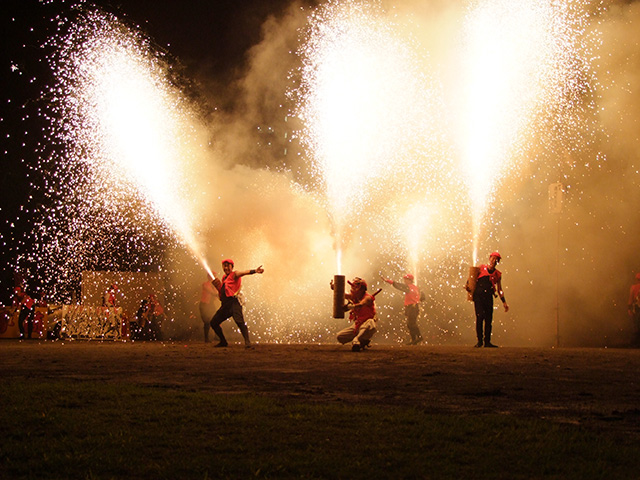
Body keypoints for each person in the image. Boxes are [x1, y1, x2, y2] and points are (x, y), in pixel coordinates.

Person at [209, 259, 264, 348]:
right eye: (224, 266)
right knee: (214, 322)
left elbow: (243, 273)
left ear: (232, 267)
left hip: (234, 303)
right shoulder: (224, 278)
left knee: (240, 322)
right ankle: (223, 342)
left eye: (228, 266)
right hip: (226, 305)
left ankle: (247, 343)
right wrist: (218, 287)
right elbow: (222, 294)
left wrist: (255, 271)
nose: (226, 268)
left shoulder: (234, 274)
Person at [466, 251, 509, 348]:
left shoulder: (497, 274)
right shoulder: (481, 268)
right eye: (493, 258)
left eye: (496, 259)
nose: (494, 261)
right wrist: (468, 287)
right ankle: (479, 341)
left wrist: (504, 302)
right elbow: (471, 278)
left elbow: (499, 289)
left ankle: (487, 342)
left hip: (488, 297)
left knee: (488, 319)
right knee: (480, 317)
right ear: (489, 258)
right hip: (479, 296)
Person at [331, 277, 378, 352]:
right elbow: (343, 295)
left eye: (355, 287)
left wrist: (351, 306)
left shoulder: (368, 298)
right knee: (340, 336)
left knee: (370, 323)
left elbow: (361, 304)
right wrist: (335, 288)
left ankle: (357, 339)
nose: (353, 289)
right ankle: (362, 340)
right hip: (358, 324)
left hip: (367, 323)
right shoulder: (354, 296)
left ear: (362, 289)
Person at [381, 273, 423, 345]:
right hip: (414, 307)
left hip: (411, 307)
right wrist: (417, 301)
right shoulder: (416, 288)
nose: (404, 281)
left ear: (409, 280)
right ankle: (414, 340)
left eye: (406, 279)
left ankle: (419, 337)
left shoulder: (408, 287)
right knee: (410, 323)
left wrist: (387, 280)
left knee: (411, 323)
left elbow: (397, 285)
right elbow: (423, 297)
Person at [200, 275, 217, 343]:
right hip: (204, 304)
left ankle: (216, 336)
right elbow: (213, 293)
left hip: (210, 304)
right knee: (207, 321)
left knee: (216, 318)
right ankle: (206, 338)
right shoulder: (205, 284)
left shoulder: (214, 286)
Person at [627, 272, 640, 346]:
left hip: (637, 308)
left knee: (636, 325)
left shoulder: (633, 287)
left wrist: (629, 308)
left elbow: (630, 298)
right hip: (637, 307)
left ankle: (635, 343)